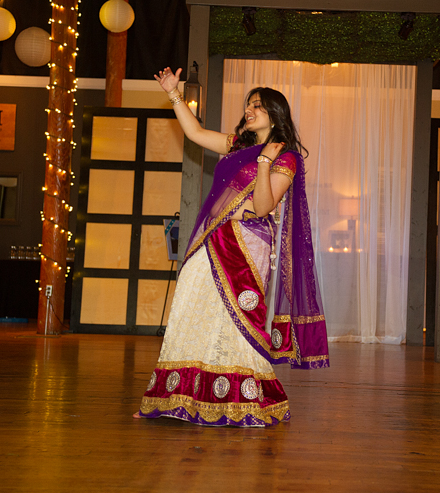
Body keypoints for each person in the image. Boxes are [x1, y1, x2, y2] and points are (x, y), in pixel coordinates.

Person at [135, 68, 329, 427]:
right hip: (213, 239)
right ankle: (173, 395)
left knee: (236, 320)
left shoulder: (286, 157)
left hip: (247, 241)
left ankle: (242, 399)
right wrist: (173, 94)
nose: (249, 110)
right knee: (190, 309)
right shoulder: (237, 145)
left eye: (257, 105)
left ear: (275, 113)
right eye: (248, 105)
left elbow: (262, 207)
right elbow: (193, 133)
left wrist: (265, 161)